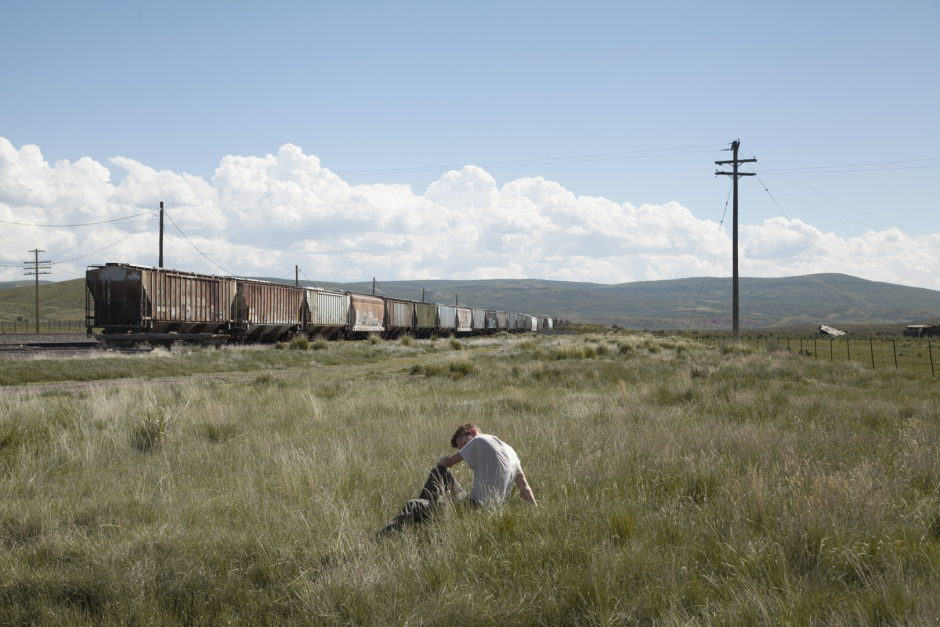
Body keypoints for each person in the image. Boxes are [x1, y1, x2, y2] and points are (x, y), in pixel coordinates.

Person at [373, 423, 536, 538]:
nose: (464, 450)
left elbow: (447, 462)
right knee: (439, 474)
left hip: (473, 510)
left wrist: (439, 461)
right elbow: (526, 491)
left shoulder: (480, 440)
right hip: (490, 513)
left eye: (463, 444)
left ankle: (376, 542)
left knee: (413, 505)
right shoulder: (512, 453)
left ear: (473, 432)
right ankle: (425, 521)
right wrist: (536, 518)